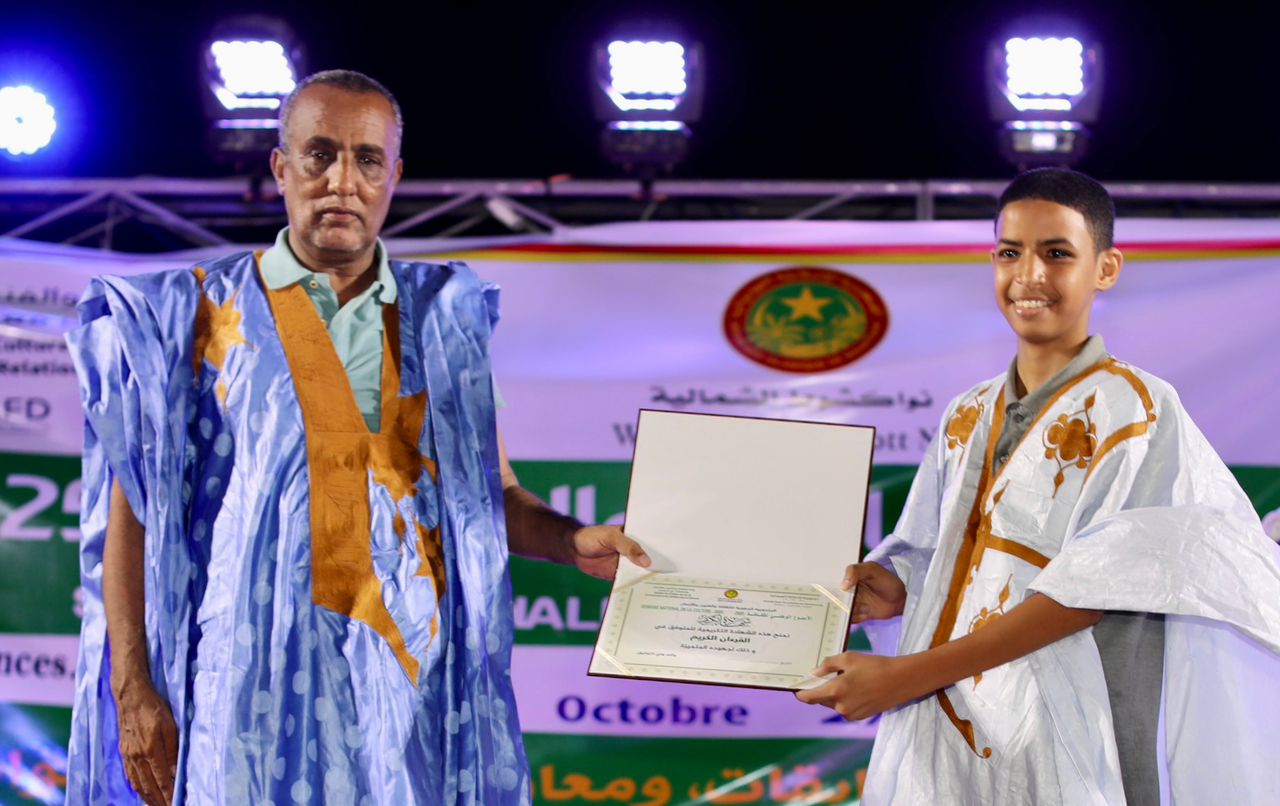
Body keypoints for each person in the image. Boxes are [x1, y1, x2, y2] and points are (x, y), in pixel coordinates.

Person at [63, 69, 648, 806]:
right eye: (319, 154)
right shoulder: (192, 313)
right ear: (281, 167)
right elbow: (134, 517)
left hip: (408, 697)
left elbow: (491, 495)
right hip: (242, 694)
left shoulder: (443, 321)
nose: (343, 180)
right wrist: (132, 688)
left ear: (393, 176)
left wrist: (569, 541)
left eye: (368, 159)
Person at [797, 168, 1280, 804]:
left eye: (1056, 253)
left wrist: (906, 676)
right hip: (948, 735)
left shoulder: (1135, 407)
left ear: (1105, 268)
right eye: (1009, 253)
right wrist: (899, 590)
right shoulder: (967, 412)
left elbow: (1089, 591)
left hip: (1076, 736)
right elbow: (948, 558)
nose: (1029, 275)